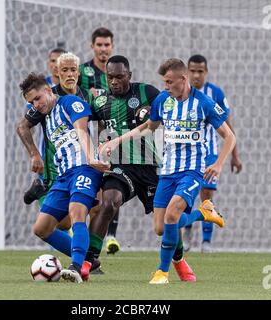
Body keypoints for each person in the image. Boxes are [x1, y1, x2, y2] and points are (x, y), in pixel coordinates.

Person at [102, 58, 236, 284]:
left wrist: (219, 163)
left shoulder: (202, 103)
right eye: (164, 82)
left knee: (173, 214)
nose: (165, 86)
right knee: (161, 227)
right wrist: (117, 141)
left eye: (169, 82)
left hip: (192, 172)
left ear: (183, 80)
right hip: (167, 172)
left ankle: (162, 272)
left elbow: (229, 136)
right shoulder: (164, 101)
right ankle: (203, 213)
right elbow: (148, 127)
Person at [82, 55, 201, 282]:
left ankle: (178, 259)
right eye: (110, 77)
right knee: (108, 202)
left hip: (151, 167)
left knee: (166, 221)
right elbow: (85, 125)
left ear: (129, 75)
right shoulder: (99, 102)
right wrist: (96, 150)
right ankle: (88, 260)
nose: (115, 81)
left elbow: (172, 106)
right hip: (120, 166)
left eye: (119, 76)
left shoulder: (147, 92)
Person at [17, 73, 110, 283]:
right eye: (31, 102)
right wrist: (34, 154)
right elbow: (22, 126)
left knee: (77, 212)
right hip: (64, 175)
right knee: (41, 228)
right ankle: (88, 258)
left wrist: (91, 158)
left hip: (85, 168)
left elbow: (82, 130)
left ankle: (76, 267)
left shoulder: (70, 102)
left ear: (49, 90)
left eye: (38, 98)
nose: (35, 104)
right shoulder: (47, 118)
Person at [183, 54, 243, 253]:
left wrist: (235, 155)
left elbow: (228, 126)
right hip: (188, 153)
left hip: (210, 153)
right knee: (187, 194)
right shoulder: (181, 92)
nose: (196, 75)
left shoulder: (214, 93)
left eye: (200, 71)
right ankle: (187, 232)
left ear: (206, 72)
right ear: (187, 72)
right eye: (192, 70)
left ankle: (206, 241)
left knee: (206, 195)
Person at [78, 27, 121, 254]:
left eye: (107, 45)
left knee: (114, 181)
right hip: (86, 134)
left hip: (109, 136)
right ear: (92, 46)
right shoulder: (83, 71)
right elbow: (78, 99)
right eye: (99, 45)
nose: (103, 49)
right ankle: (80, 230)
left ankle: (111, 236)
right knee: (91, 189)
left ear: (112, 46)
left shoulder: (116, 70)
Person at [23, 47, 67, 204]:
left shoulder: (77, 89)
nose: (56, 65)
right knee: (48, 220)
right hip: (50, 155)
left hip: (78, 155)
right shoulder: (40, 92)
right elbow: (25, 125)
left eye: (60, 60)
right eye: (53, 61)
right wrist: (34, 154)